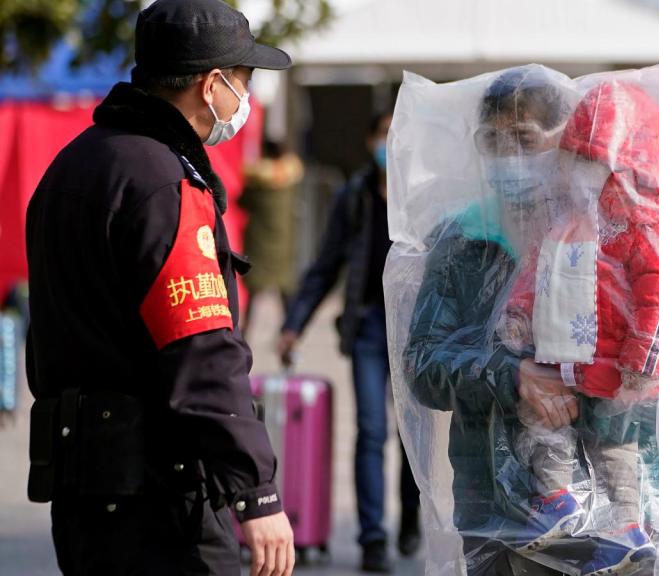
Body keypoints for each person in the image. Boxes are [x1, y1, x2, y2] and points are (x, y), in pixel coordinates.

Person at [25, 0, 294, 575]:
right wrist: (256, 490)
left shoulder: (73, 164)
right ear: (211, 84)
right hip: (161, 502)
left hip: (83, 491)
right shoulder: (164, 183)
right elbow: (201, 349)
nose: (246, 99)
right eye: (244, 81)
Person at [496, 80, 659, 574]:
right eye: (578, 160)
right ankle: (559, 502)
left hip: (620, 372)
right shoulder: (574, 217)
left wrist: (644, 360)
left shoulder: (655, 218)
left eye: (596, 162)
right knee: (544, 423)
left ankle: (625, 526)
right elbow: (541, 270)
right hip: (568, 361)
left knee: (615, 448)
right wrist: (519, 315)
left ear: (632, 164)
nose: (584, 173)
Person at [403, 66, 577, 576]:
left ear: (563, 139)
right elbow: (422, 364)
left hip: (589, 499)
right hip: (488, 497)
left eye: (524, 138)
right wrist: (511, 374)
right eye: (493, 142)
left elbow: (653, 364)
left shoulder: (599, 232)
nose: (509, 157)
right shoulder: (462, 240)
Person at [277, 112, 420, 573]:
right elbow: (326, 266)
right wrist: (294, 324)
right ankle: (372, 538)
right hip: (369, 327)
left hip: (415, 331)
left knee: (412, 435)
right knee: (372, 430)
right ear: (368, 139)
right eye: (382, 134)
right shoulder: (354, 197)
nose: (388, 144)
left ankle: (411, 514)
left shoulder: (422, 195)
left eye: (396, 135)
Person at [239, 140, 304, 338]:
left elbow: (242, 201)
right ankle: (289, 333)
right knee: (285, 293)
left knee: (254, 291)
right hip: (283, 245)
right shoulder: (290, 181)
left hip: (259, 245)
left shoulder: (257, 182)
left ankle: (245, 332)